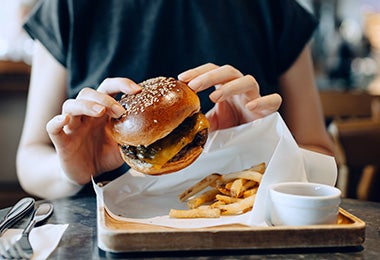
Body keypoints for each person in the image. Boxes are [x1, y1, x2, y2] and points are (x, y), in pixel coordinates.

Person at [17, 0, 334, 199]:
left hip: (245, 230)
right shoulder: (68, 7)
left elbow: (323, 156)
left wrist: (267, 141)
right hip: (102, 236)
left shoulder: (274, 9)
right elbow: (30, 158)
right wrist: (68, 171)